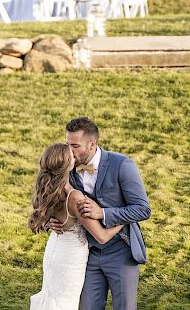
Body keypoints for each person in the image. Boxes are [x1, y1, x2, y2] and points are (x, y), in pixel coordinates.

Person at [49, 117, 151, 310]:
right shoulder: (68, 166)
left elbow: (142, 209)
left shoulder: (122, 165)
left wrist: (102, 213)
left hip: (121, 250)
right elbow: (51, 195)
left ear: (92, 144)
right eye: (67, 144)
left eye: (75, 146)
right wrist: (51, 222)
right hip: (87, 253)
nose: (69, 151)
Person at [28, 143, 124, 310]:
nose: (75, 156)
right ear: (68, 164)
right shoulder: (74, 197)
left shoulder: (51, 190)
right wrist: (124, 218)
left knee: (53, 296)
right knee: (65, 302)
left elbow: (46, 217)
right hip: (70, 259)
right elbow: (101, 236)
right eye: (71, 155)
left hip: (54, 251)